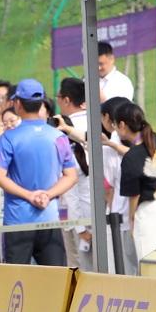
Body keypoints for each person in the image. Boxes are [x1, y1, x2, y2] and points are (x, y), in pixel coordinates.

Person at [0, 79, 78, 266]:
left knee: (15, 284)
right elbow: (71, 176)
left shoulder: (8, 138)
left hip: (17, 220)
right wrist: (47, 195)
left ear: (18, 104)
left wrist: (30, 196)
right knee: (55, 282)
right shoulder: (58, 137)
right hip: (49, 218)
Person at [113, 102, 156, 259]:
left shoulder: (131, 157)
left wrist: (131, 221)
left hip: (151, 212)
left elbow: (134, 196)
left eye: (115, 125)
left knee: (150, 268)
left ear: (122, 125)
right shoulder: (155, 139)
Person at [54, 77, 93, 271]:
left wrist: (79, 227)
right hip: (102, 213)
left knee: (78, 270)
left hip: (77, 215)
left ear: (67, 100)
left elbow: (69, 181)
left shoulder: (62, 129)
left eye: (59, 97)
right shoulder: (97, 122)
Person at [99, 96, 140, 274]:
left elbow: (107, 187)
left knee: (122, 267)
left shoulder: (109, 147)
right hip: (140, 214)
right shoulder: (147, 141)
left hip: (120, 216)